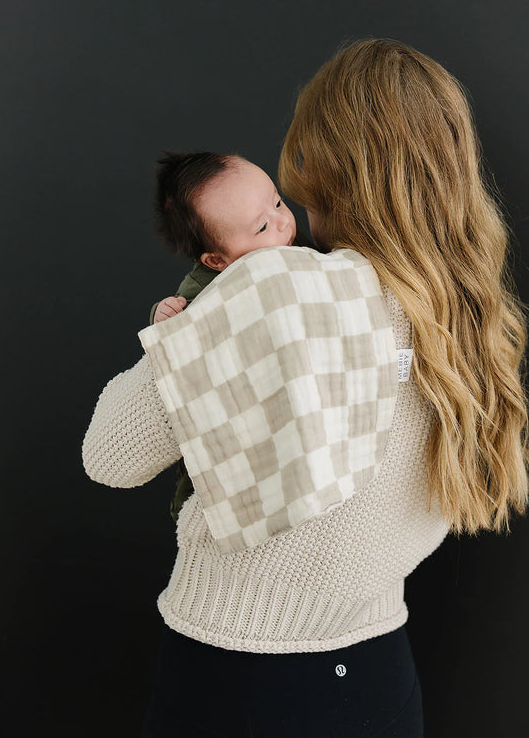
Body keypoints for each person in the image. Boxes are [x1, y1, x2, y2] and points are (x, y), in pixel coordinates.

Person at [81, 38, 529, 737]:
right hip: (378, 675)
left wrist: (178, 333)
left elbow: (108, 457)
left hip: (240, 677)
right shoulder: (470, 316)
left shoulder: (275, 290)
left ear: (323, 164)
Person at [145, 151, 318, 531]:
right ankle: (188, 504)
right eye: (261, 228)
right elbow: (178, 334)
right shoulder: (206, 286)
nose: (283, 222)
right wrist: (165, 316)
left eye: (277, 201)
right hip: (228, 409)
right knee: (209, 458)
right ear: (217, 261)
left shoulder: (293, 246)